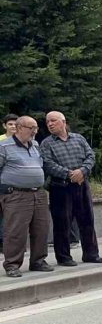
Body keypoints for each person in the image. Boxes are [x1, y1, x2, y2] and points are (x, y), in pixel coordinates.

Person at [40, 111, 102, 266]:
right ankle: (63, 257)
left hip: (82, 184)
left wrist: (82, 171)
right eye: (48, 121)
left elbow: (91, 156)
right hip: (60, 187)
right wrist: (69, 174)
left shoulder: (79, 138)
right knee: (62, 223)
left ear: (63, 122)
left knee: (87, 220)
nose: (50, 124)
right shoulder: (46, 143)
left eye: (53, 120)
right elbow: (47, 164)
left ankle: (91, 254)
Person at [0, 116, 53, 277]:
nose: (35, 131)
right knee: (16, 230)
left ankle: (38, 261)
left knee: (41, 228)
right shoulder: (4, 146)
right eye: (31, 128)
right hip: (16, 194)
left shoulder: (35, 145)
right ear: (19, 128)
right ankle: (12, 264)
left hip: (38, 192)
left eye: (36, 128)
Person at [0, 113, 16, 253]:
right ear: (4, 126)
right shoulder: (1, 141)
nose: (13, 127)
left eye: (16, 124)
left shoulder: (24, 141)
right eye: (10, 124)